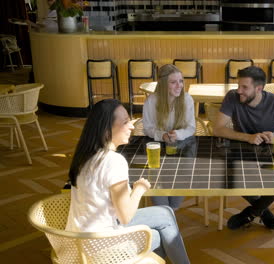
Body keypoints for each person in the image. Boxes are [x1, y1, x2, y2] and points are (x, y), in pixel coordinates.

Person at [66, 99, 190, 264]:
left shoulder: (85, 156)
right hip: (101, 250)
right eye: (125, 122)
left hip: (76, 242)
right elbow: (125, 217)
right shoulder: (113, 161)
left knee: (166, 212)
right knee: (161, 235)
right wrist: (139, 188)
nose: (132, 126)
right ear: (107, 130)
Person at [213, 66, 274, 230]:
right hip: (240, 152)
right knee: (229, 176)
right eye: (238, 86)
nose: (239, 91)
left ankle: (250, 213)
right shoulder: (232, 97)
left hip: (269, 153)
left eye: (244, 87)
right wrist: (247, 137)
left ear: (259, 88)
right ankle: (262, 211)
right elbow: (218, 128)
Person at [143, 64, 195, 210]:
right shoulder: (151, 101)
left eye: (181, 81)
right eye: (173, 82)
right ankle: (167, 212)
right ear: (163, 84)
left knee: (183, 172)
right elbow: (147, 128)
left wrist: (177, 134)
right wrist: (162, 135)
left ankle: (169, 212)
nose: (179, 86)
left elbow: (191, 128)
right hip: (156, 145)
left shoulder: (187, 99)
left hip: (182, 144)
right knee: (154, 174)